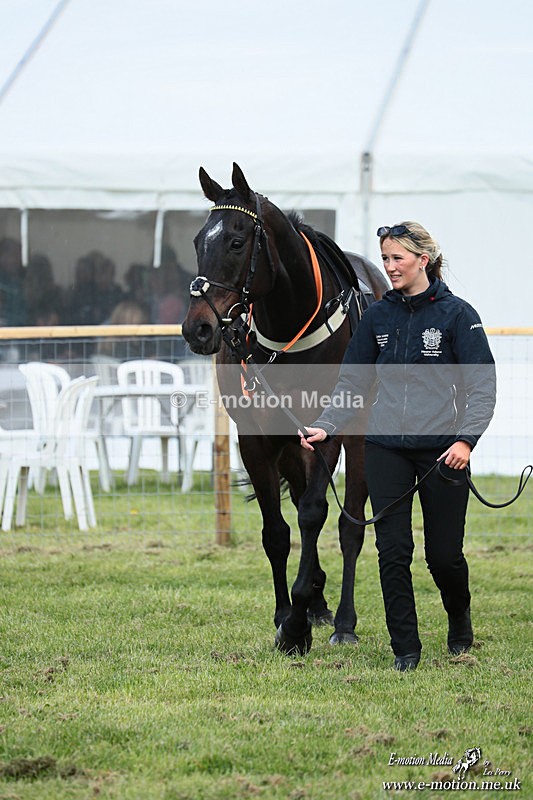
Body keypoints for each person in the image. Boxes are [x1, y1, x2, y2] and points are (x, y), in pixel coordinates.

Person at [300, 221, 496, 671]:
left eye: (397, 259)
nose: (389, 268)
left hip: (443, 453)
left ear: (422, 260)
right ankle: (405, 649)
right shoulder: (377, 317)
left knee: (444, 557)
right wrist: (325, 426)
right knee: (392, 552)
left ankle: (459, 620)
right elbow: (352, 381)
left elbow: (482, 386)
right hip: (385, 448)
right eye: (385, 259)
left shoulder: (457, 315)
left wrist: (466, 440)